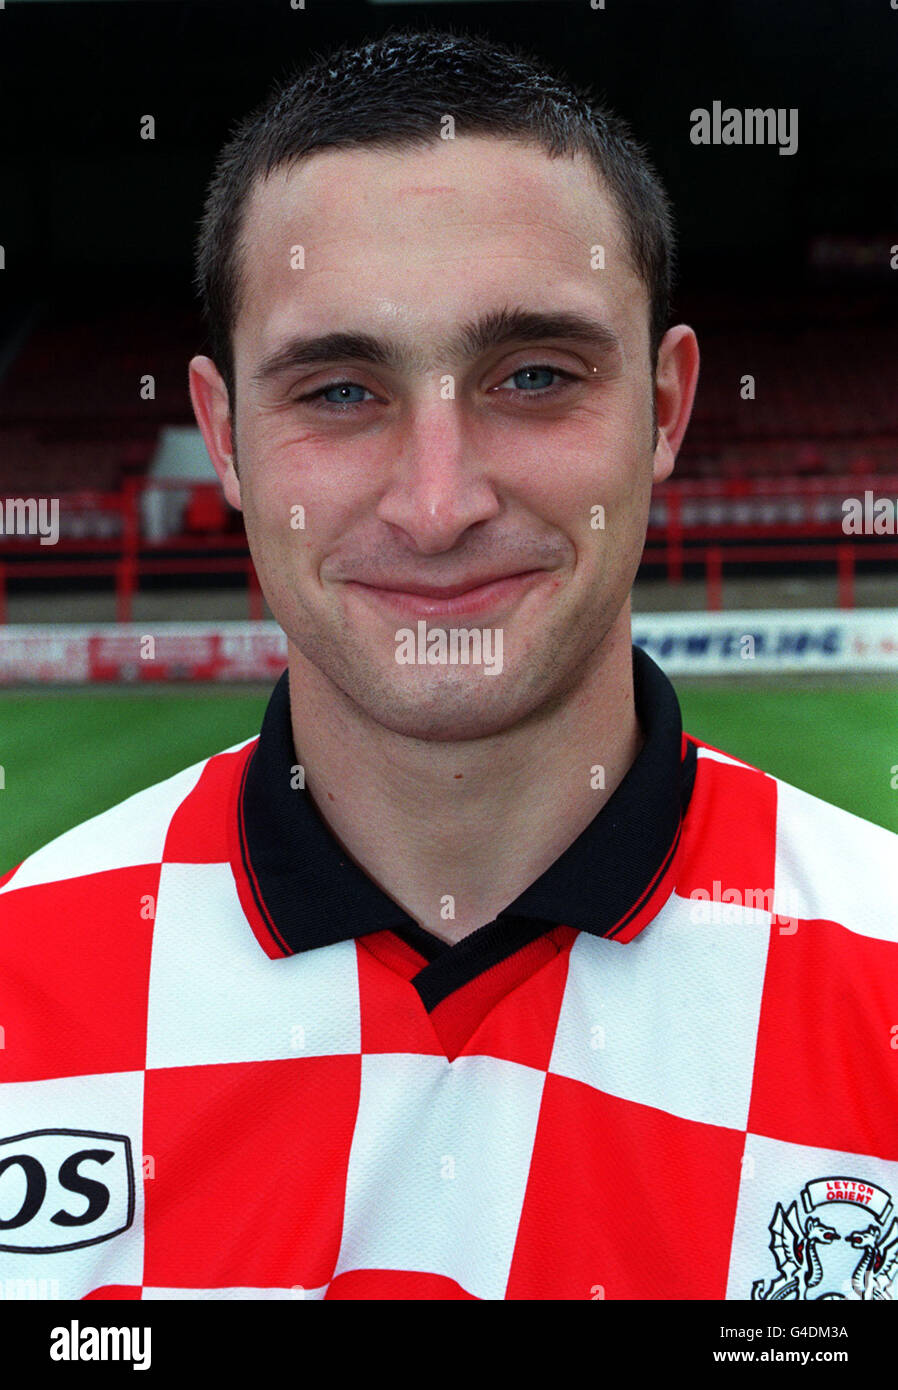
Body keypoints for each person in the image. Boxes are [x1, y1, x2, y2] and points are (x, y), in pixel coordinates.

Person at [1, 29, 895, 1303]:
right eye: (339, 391)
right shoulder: (21, 986)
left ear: (664, 407)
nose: (437, 505)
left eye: (533, 375)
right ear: (224, 436)